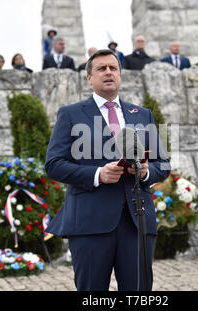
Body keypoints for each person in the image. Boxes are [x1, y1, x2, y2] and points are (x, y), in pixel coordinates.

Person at [44, 49, 170, 291]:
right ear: (89, 78)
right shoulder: (70, 114)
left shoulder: (142, 115)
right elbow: (54, 164)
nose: (108, 72)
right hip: (89, 222)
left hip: (137, 221)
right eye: (101, 68)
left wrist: (144, 172)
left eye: (113, 68)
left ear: (120, 75)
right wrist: (97, 174)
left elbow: (162, 164)